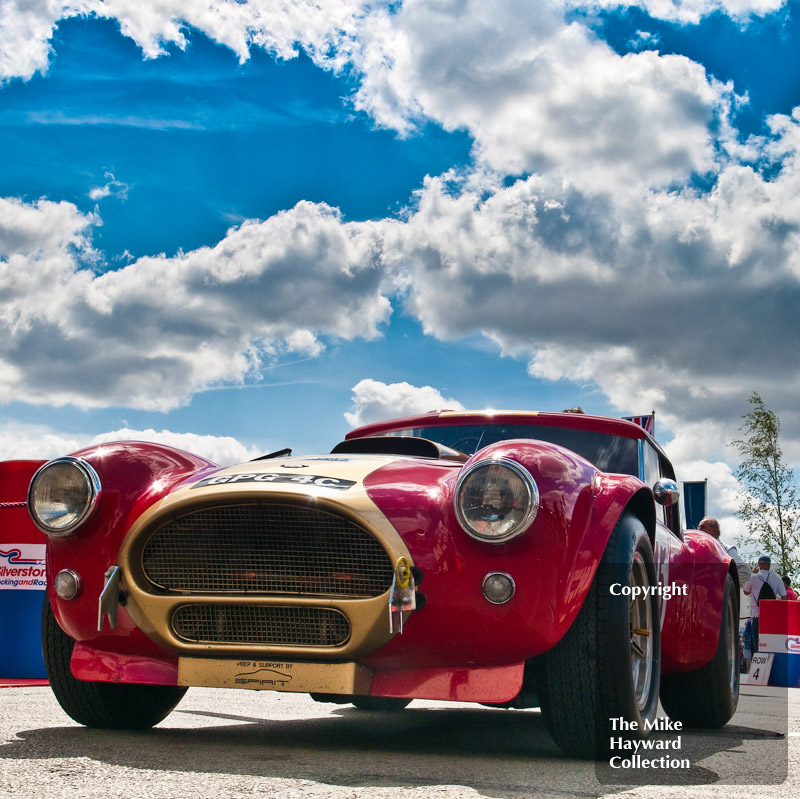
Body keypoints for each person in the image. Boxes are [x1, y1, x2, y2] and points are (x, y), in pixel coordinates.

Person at [743, 556, 787, 653]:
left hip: (756, 615)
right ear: (769, 565)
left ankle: (760, 662)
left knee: (757, 643)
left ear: (759, 565)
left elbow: (746, 591)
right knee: (771, 642)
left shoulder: (753, 577)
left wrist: (753, 574)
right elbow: (784, 597)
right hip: (771, 616)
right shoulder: (776, 578)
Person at [697, 517, 752, 587]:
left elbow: (745, 571)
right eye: (698, 527)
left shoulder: (726, 550)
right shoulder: (697, 550)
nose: (698, 530)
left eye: (702, 527)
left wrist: (727, 586)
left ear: (712, 529)